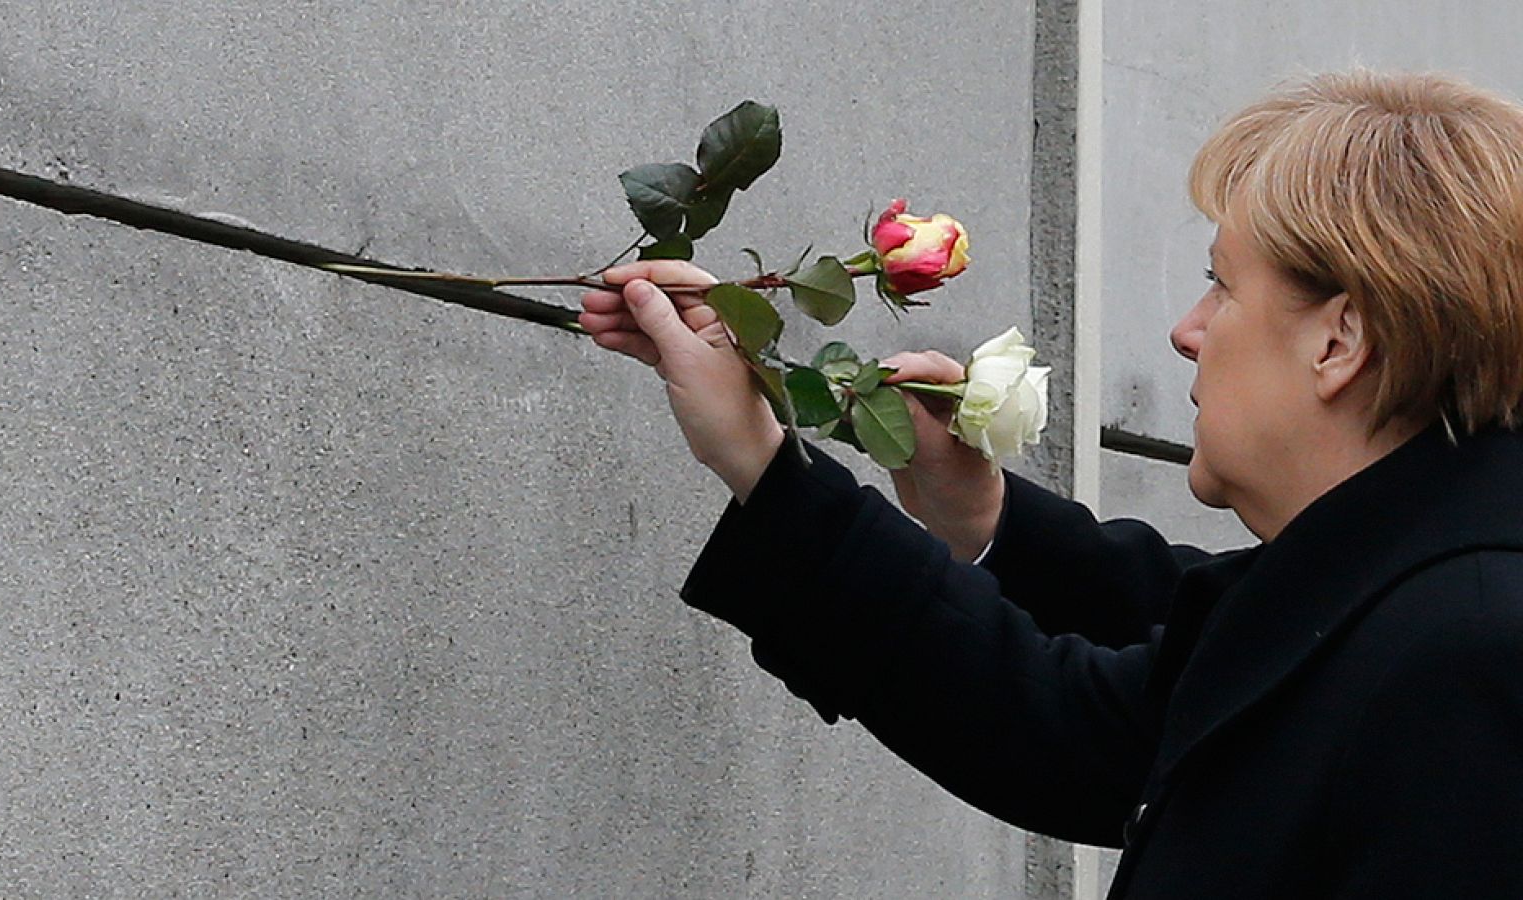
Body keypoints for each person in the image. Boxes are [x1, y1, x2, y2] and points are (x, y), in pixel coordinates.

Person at [578, 70, 1523, 898]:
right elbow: (1087, 716)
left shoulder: (1466, 657)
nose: (1188, 332)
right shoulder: (1404, 587)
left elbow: (1085, 724)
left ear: (1339, 340)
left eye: (1223, 285)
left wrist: (769, 468)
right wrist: (972, 512)